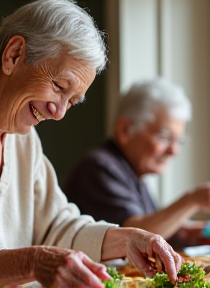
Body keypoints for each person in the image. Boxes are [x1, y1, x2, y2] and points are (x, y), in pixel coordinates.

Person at [0, 1, 182, 288]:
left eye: (71, 102)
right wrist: (35, 262)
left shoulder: (23, 137)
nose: (58, 113)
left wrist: (130, 239)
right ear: (14, 55)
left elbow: (57, 224)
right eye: (59, 87)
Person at [63, 77, 210, 251]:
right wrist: (192, 200)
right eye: (164, 137)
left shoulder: (132, 173)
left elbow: (155, 229)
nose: (174, 151)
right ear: (125, 129)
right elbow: (139, 237)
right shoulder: (100, 168)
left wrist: (186, 232)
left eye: (178, 140)